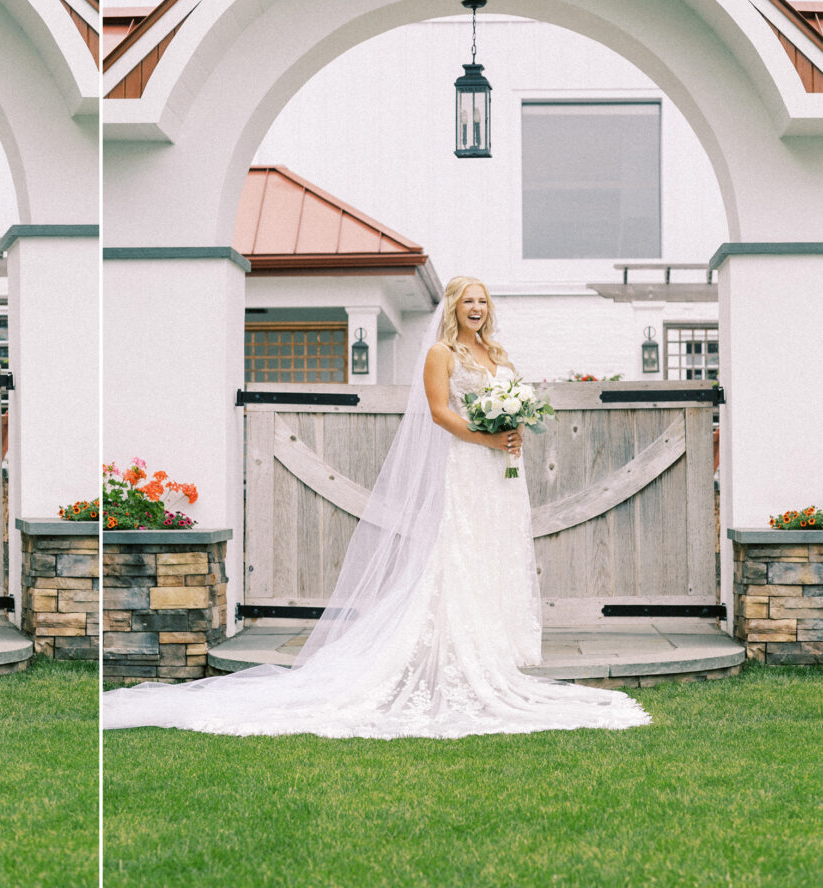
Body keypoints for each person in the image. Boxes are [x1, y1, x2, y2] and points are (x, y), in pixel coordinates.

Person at [101, 276, 651, 738]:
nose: (478, 309)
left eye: (484, 301)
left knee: (497, 553)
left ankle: (492, 647)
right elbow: (439, 412)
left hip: (504, 474)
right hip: (469, 464)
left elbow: (509, 407)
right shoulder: (442, 353)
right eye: (468, 301)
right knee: (460, 551)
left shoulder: (498, 353)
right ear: (454, 307)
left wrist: (515, 432)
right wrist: (487, 439)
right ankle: (453, 655)